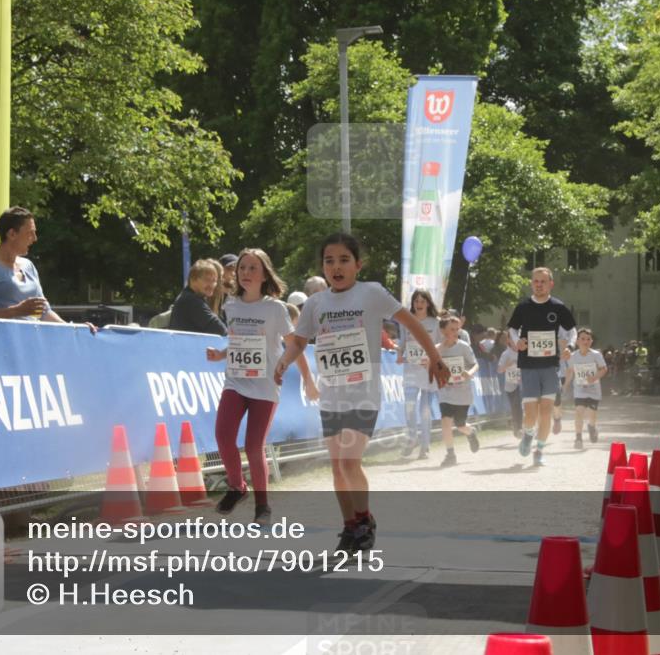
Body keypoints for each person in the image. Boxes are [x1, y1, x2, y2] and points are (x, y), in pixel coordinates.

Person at [275, 233, 449, 555]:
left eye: (344, 260)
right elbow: (299, 341)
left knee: (349, 460)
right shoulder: (315, 303)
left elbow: (412, 324)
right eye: (329, 261)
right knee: (337, 466)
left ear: (358, 264)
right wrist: (284, 361)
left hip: (364, 394)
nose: (336, 267)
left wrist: (436, 358)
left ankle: (364, 521)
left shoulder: (372, 293)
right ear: (323, 267)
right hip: (332, 396)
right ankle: (349, 527)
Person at [207, 249, 318, 525]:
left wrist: (308, 378)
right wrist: (221, 354)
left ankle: (263, 506)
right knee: (222, 436)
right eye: (242, 268)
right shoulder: (231, 305)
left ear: (264, 273)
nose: (245, 273)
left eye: (252, 268)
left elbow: (294, 344)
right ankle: (237, 487)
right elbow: (236, 340)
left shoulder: (274, 308)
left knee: (253, 446)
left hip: (265, 386)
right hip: (236, 380)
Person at [0, 207, 91, 331]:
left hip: (30, 344)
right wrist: (15, 311)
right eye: (30, 233)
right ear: (12, 234)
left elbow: (43, 312)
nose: (35, 238)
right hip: (2, 344)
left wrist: (75, 329)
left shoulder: (28, 266)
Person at [507, 267, 576, 466]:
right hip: (528, 365)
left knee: (546, 411)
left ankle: (539, 450)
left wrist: (570, 347)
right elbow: (512, 329)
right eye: (536, 281)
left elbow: (572, 330)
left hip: (550, 366)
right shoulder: (523, 307)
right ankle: (528, 434)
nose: (539, 285)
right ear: (531, 283)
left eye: (543, 281)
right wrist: (517, 341)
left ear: (550, 284)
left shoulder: (558, 307)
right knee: (531, 414)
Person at [397, 289, 440, 460]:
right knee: (409, 406)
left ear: (428, 303)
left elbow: (440, 344)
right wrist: (400, 353)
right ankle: (412, 438)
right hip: (411, 371)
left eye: (422, 301)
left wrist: (432, 358)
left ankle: (425, 446)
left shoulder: (435, 323)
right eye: (416, 301)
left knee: (425, 411)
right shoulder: (407, 321)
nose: (419, 304)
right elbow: (403, 341)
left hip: (429, 371)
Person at [437, 315, 480, 467]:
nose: (455, 332)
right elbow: (429, 364)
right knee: (445, 421)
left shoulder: (463, 346)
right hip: (445, 392)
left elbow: (475, 364)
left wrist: (470, 373)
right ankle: (450, 454)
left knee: (460, 424)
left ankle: (471, 432)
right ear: (443, 331)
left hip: (463, 392)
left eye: (457, 329)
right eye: (452, 329)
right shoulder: (437, 349)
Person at [565, 328, 608, 449]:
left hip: (594, 390)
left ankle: (592, 427)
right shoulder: (572, 357)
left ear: (591, 341)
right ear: (577, 341)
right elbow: (570, 372)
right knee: (579, 411)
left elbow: (604, 369)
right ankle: (578, 438)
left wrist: (594, 377)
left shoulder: (596, 355)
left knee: (592, 415)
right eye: (583, 339)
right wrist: (565, 385)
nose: (585, 341)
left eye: (588, 339)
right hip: (579, 390)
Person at [166, 259, 227, 336]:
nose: (212, 285)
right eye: (207, 280)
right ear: (193, 279)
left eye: (214, 281)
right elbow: (221, 330)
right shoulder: (191, 301)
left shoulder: (188, 296)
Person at [498, 335, 523, 438]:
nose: (516, 341)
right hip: (510, 385)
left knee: (520, 404)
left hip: (522, 384)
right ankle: (516, 426)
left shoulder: (524, 352)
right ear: (508, 340)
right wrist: (508, 364)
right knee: (515, 406)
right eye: (513, 338)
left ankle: (520, 427)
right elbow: (499, 370)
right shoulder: (506, 354)